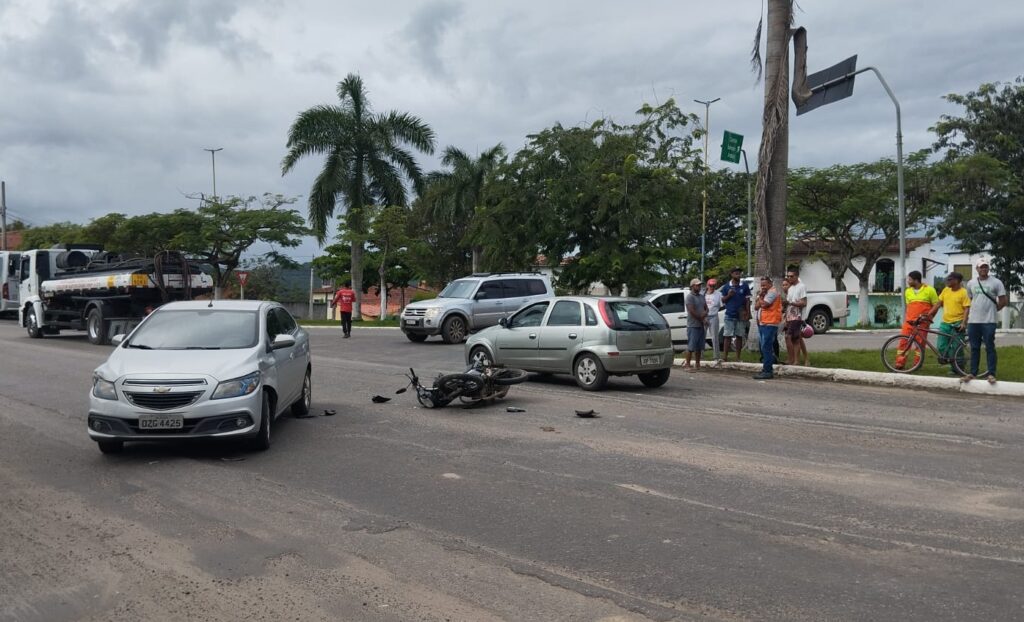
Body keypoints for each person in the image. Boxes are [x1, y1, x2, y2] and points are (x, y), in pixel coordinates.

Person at [963, 258, 1008, 383]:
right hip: (973, 321)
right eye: (981, 267)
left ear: (988, 268)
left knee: (989, 347)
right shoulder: (971, 283)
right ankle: (972, 373)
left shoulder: (996, 282)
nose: (983, 269)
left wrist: (994, 310)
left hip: (989, 321)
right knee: (974, 348)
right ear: (977, 269)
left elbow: (1003, 300)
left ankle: (991, 373)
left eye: (985, 267)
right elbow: (971, 299)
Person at [894, 270, 938, 370]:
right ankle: (899, 364)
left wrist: (930, 317)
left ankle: (917, 365)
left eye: (909, 279)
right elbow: (909, 306)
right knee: (903, 342)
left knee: (920, 344)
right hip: (909, 322)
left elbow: (936, 305)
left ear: (916, 280)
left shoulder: (930, 290)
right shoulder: (907, 291)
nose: (908, 281)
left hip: (922, 323)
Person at [927, 272, 970, 373]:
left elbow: (967, 308)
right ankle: (952, 361)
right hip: (945, 323)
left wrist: (964, 323)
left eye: (950, 279)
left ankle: (957, 369)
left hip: (958, 323)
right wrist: (928, 314)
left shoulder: (964, 292)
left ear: (956, 281)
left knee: (956, 348)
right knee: (941, 346)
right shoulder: (946, 290)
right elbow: (938, 304)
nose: (947, 281)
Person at [753, 275, 782, 380]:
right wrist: (760, 297)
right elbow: (756, 307)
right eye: (761, 285)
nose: (763, 287)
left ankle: (768, 371)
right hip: (763, 323)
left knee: (766, 347)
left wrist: (760, 297)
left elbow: (764, 305)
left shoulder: (773, 292)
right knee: (763, 347)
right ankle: (766, 368)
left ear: (770, 284)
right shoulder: (764, 293)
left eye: (765, 285)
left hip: (770, 323)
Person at [720, 267, 751, 362]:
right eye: (736, 273)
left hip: (741, 314)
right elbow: (722, 300)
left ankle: (738, 357)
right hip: (730, 314)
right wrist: (729, 295)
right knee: (727, 335)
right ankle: (725, 357)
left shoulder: (744, 286)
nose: (738, 274)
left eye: (739, 273)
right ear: (731, 274)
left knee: (739, 336)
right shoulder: (726, 287)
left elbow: (747, 300)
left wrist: (748, 312)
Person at [783, 267, 808, 366]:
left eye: (791, 276)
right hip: (789, 316)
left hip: (797, 316)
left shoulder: (801, 286)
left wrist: (791, 303)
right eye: (788, 276)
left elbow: (803, 302)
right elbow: (789, 303)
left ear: (797, 276)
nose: (789, 278)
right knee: (791, 338)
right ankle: (792, 359)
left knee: (794, 338)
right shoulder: (791, 288)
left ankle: (796, 360)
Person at [683, 278, 709, 371]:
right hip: (693, 325)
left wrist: (705, 315)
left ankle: (697, 364)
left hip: (701, 324)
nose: (699, 286)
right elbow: (692, 311)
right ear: (692, 286)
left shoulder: (702, 296)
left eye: (699, 285)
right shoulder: (690, 297)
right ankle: (687, 364)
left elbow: (706, 308)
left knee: (699, 346)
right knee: (691, 346)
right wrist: (702, 318)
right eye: (697, 285)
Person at [704, 278, 723, 363]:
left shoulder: (719, 294)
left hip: (714, 316)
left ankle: (716, 356)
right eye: (710, 285)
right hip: (704, 317)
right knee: (701, 336)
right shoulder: (703, 294)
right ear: (707, 285)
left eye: (713, 286)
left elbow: (722, 305)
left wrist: (715, 310)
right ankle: (700, 354)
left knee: (714, 337)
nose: (712, 287)